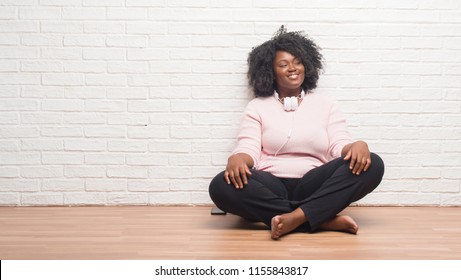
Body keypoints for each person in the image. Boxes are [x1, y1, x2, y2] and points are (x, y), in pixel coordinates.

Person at [209, 26, 385, 240]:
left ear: (307, 65)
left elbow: (339, 144)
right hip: (270, 184)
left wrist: (356, 146)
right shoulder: (257, 107)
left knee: (373, 163)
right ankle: (315, 218)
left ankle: (294, 216)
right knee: (220, 185)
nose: (293, 68)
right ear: (270, 72)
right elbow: (249, 148)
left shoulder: (325, 104)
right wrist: (237, 159)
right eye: (283, 64)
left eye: (298, 62)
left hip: (312, 183)